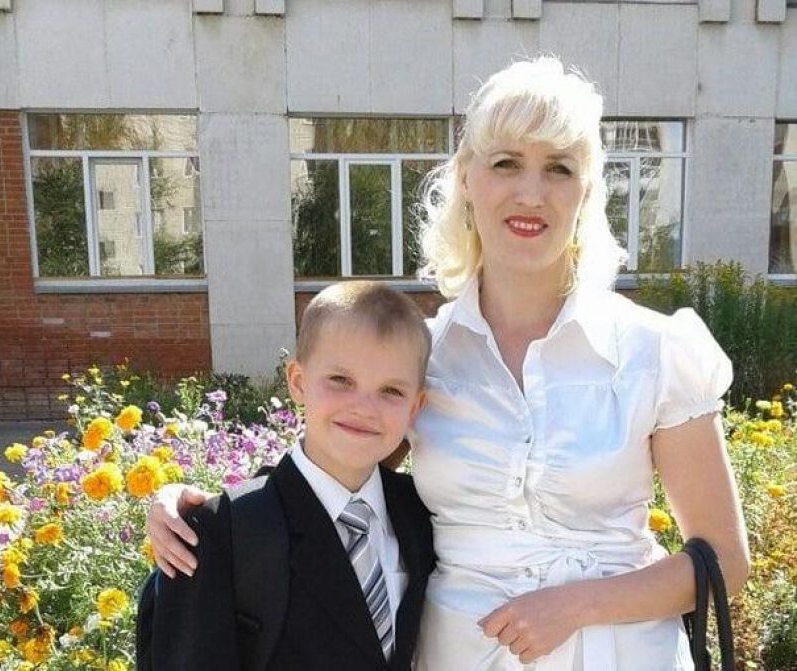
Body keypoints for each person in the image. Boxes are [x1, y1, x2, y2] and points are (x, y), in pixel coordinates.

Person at [147, 57, 749, 670]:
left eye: (559, 168)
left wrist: (574, 606)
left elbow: (726, 560)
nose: (531, 193)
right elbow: (331, 473)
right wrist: (208, 515)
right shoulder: (422, 357)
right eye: (506, 163)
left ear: (587, 191)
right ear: (466, 178)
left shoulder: (654, 351)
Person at [147, 281, 435, 670]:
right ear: (298, 381)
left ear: (415, 406)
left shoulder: (421, 513)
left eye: (391, 391)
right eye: (341, 380)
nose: (364, 407)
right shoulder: (222, 532)